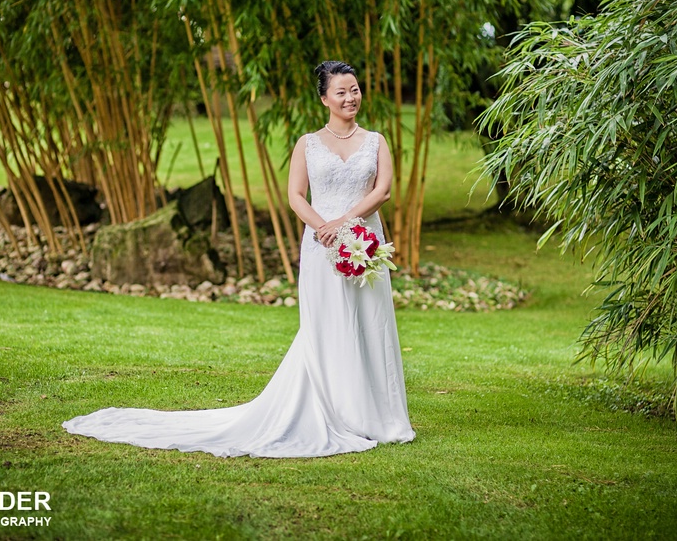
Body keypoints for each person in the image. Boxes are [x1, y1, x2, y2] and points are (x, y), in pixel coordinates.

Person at [62, 60, 415, 457]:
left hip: (365, 240)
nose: (351, 97)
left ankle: (377, 416)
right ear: (324, 99)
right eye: (341, 92)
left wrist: (344, 224)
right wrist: (324, 229)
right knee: (328, 325)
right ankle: (336, 411)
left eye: (354, 89)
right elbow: (295, 196)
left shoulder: (376, 141)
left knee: (370, 321)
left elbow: (382, 191)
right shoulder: (308, 143)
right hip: (322, 243)